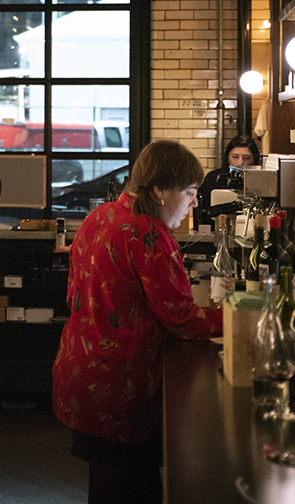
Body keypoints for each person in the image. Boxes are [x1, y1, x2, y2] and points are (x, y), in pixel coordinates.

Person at [51, 140, 223, 504]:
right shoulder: (148, 234)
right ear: (160, 189)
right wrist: (241, 317)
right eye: (190, 192)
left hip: (81, 374)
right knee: (134, 490)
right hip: (120, 388)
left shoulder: (99, 216)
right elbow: (183, 319)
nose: (195, 202)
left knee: (108, 485)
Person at [195, 134, 260, 230]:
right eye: (235, 157)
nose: (240, 162)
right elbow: (204, 214)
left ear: (254, 159)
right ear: (227, 157)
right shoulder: (213, 178)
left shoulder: (260, 180)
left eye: (246, 158)